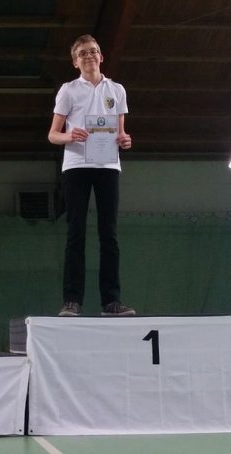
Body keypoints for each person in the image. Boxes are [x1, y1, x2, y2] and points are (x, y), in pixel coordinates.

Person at [48, 34, 136, 317]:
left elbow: (120, 132)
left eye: (94, 51)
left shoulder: (117, 90)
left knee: (109, 233)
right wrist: (69, 135)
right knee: (76, 233)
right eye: (83, 53)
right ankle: (72, 301)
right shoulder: (68, 91)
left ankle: (111, 302)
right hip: (76, 166)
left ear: (101, 57)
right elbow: (53, 134)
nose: (89, 56)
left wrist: (124, 140)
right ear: (75, 62)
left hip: (108, 166)